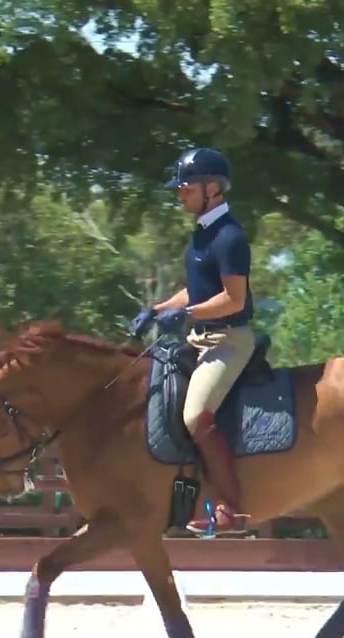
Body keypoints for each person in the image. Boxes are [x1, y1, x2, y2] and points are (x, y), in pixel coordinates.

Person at [131, 147, 256, 535]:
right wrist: (157, 309)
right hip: (200, 337)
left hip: (228, 339)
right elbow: (198, 290)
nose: (179, 195)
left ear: (212, 189)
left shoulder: (230, 237)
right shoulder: (203, 233)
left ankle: (231, 510)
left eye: (185, 188)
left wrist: (186, 315)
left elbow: (232, 298)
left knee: (194, 416)